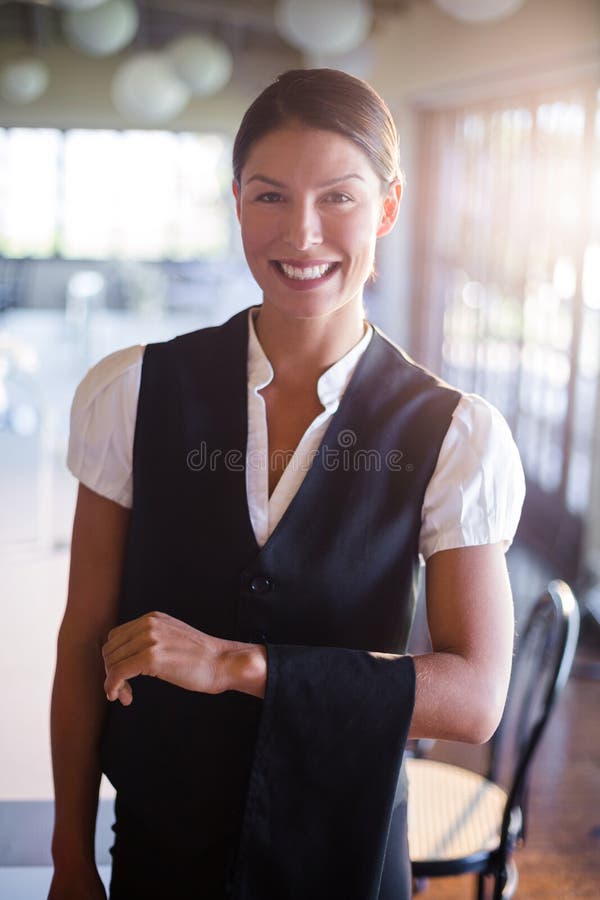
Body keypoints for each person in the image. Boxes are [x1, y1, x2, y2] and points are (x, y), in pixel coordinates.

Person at [49, 68, 525, 900]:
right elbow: (81, 638)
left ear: (386, 207)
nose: (302, 235)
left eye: (338, 197)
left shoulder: (455, 434)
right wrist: (67, 856)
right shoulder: (133, 392)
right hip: (161, 855)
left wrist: (236, 663)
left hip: (344, 857)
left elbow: (476, 698)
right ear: (236, 201)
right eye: (270, 196)